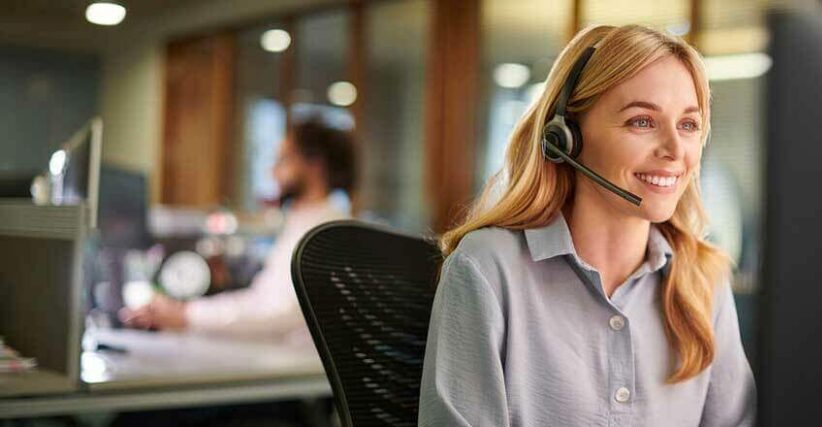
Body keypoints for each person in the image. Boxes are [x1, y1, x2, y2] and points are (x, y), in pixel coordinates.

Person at [418, 25, 755, 426]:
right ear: (567, 135)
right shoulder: (489, 269)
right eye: (642, 122)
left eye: (688, 125)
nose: (675, 150)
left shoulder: (702, 279)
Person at [121, 120, 356, 343]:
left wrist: (186, 315)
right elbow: (262, 301)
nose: (273, 172)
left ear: (315, 165)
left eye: (283, 160)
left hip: (289, 362)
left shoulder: (321, 232)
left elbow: (275, 313)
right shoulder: (308, 223)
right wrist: (184, 312)